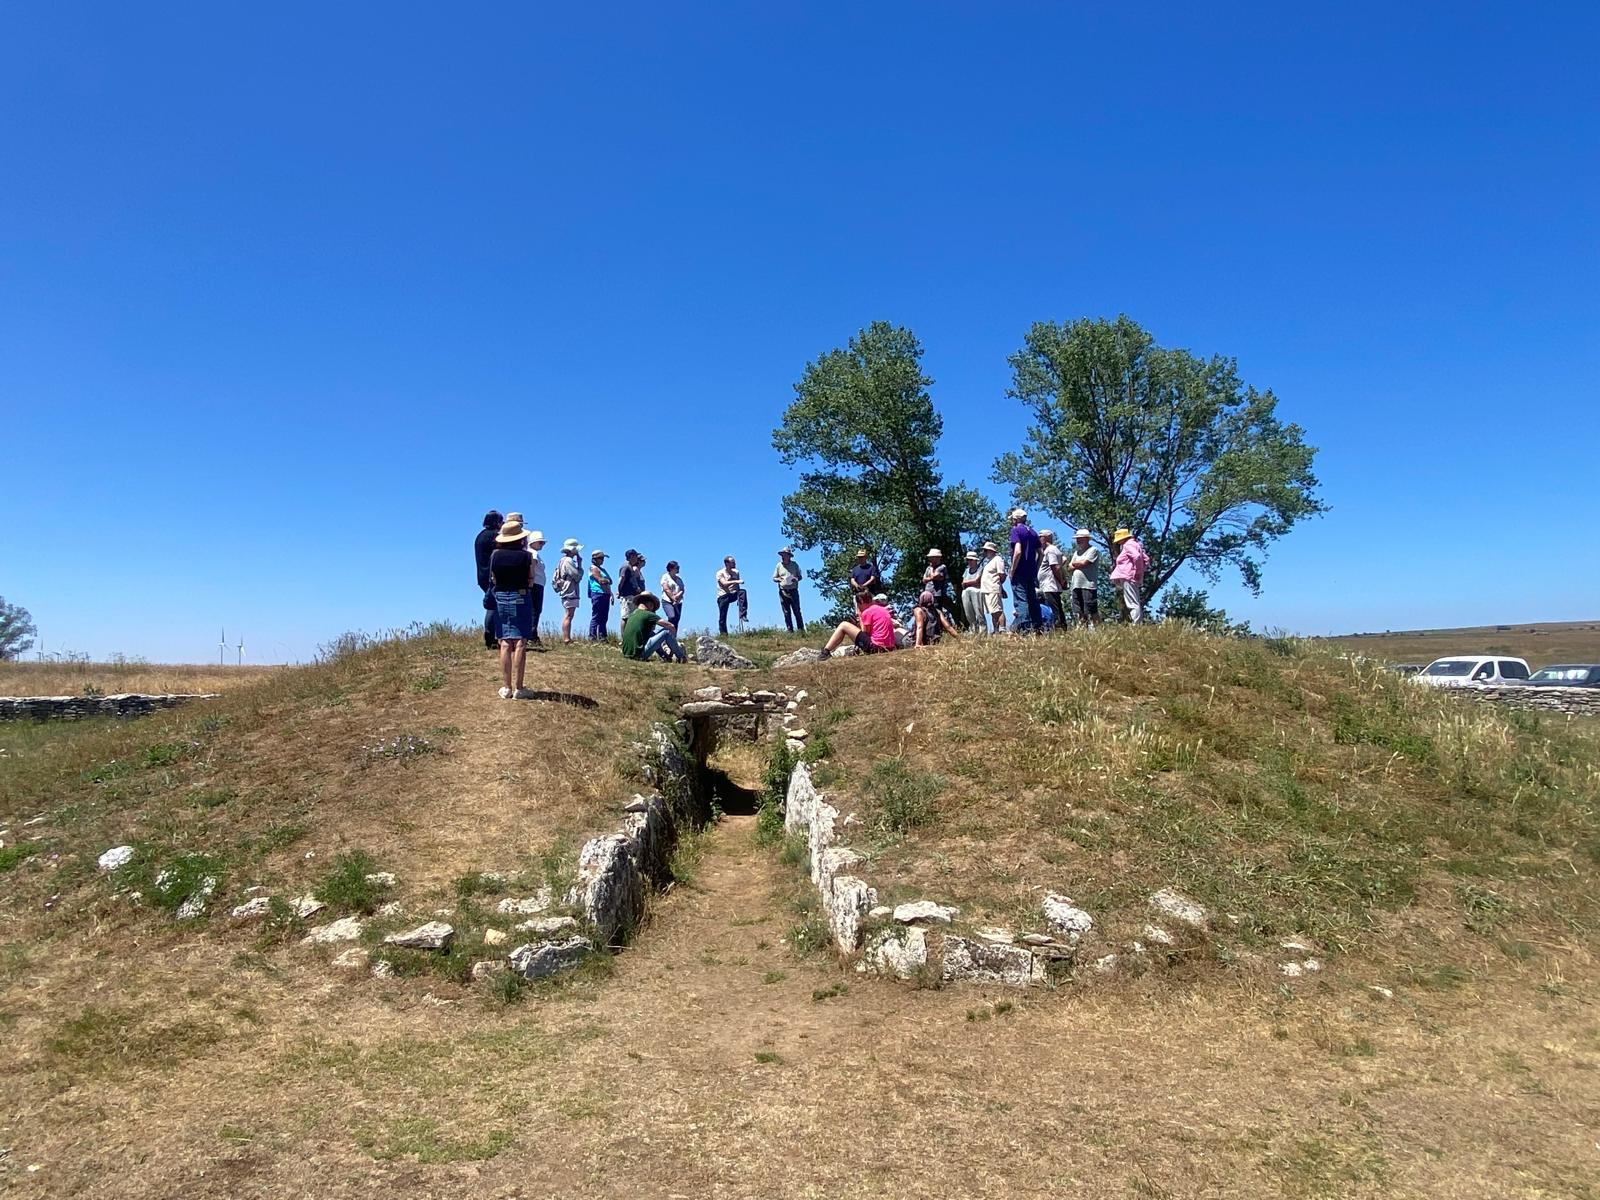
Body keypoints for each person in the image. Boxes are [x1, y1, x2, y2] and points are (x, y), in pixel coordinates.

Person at [488, 517, 535, 699]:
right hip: (520, 595)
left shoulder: (495, 555)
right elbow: (530, 578)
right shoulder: (526, 556)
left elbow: (492, 577)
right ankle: (519, 688)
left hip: (500, 596)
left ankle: (506, 687)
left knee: (505, 641)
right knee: (520, 641)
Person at [819, 592, 897, 657]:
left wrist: (860, 617)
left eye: (858, 605)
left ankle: (825, 652)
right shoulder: (882, 609)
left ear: (861, 601)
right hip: (889, 647)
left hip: (876, 648)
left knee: (843, 625)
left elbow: (865, 633)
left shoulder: (867, 612)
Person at [621, 592, 687, 663]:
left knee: (651, 633)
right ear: (650, 605)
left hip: (626, 654)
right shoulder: (648, 614)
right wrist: (673, 639)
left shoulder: (632, 615)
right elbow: (670, 626)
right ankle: (681, 657)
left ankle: (665, 657)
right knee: (667, 632)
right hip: (639, 654)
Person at [1008, 508, 1044, 633]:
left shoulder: (1016, 530)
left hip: (1020, 571)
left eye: (1013, 519)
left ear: (1016, 519)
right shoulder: (1033, 533)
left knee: (1021, 601)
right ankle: (1038, 627)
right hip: (1031, 572)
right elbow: (1041, 553)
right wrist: (1036, 567)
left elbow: (1017, 551)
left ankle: (1023, 629)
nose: (1012, 521)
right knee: (1033, 600)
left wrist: (1012, 569)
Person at [474, 510, 504, 650]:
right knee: (494, 605)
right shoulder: (494, 537)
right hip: (492, 575)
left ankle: (491, 634)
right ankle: (491, 634)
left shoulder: (480, 536)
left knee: (493, 604)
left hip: (482, 574)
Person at [1110, 528, 1150, 624]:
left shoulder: (1128, 545)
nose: (1118, 542)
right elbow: (1146, 559)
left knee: (1132, 601)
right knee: (1134, 599)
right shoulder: (1136, 544)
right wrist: (1140, 571)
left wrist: (1137, 571)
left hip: (1128, 576)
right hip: (1131, 576)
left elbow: (1137, 557)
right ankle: (1137, 622)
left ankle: (1136, 624)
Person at [553, 538, 584, 644]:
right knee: (569, 614)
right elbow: (577, 576)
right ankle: (567, 638)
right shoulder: (569, 561)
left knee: (568, 613)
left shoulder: (562, 560)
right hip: (570, 589)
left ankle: (567, 637)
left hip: (565, 588)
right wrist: (580, 566)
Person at [1068, 529, 1100, 629]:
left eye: (1080, 539)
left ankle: (1097, 628)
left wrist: (1076, 564)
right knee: (1079, 608)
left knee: (1091, 608)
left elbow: (1085, 563)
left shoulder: (1093, 550)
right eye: (1077, 539)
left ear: (1087, 539)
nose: (1078, 541)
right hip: (1076, 584)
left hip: (1088, 584)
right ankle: (1083, 627)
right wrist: (1077, 564)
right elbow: (1069, 567)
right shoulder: (1077, 552)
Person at [1037, 530, 1067, 631]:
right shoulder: (1050, 550)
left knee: (1053, 609)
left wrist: (1061, 580)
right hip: (1050, 584)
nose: (1038, 540)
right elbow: (1063, 561)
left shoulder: (1050, 550)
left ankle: (1058, 629)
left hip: (1050, 585)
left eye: (1040, 537)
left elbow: (1055, 567)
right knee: (1057, 607)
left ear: (1044, 538)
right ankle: (1062, 628)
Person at [979, 540, 1009, 633]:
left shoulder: (998, 559)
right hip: (986, 590)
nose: (985, 552)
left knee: (997, 610)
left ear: (991, 550)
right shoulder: (988, 562)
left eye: (986, 550)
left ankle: (1002, 629)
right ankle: (996, 630)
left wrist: (999, 586)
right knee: (992, 611)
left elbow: (1002, 575)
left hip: (993, 588)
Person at [526, 529, 548, 647]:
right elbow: (532, 566)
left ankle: (531, 634)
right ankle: (532, 635)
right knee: (535, 610)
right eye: (540, 542)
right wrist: (531, 579)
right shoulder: (533, 553)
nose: (542, 545)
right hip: (535, 584)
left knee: (533, 610)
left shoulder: (531, 552)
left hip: (535, 583)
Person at [773, 547, 804, 632]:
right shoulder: (779, 565)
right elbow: (774, 578)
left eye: (785, 555)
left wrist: (796, 579)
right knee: (786, 612)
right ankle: (790, 630)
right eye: (782, 555)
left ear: (789, 556)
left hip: (793, 590)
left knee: (797, 611)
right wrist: (779, 579)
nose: (783, 557)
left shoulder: (795, 565)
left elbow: (800, 576)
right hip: (783, 591)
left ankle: (801, 630)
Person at [715, 556, 748, 635]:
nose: (735, 564)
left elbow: (737, 586)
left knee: (742, 592)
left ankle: (743, 614)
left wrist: (739, 598)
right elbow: (724, 584)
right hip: (723, 595)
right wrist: (736, 581)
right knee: (723, 615)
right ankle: (723, 634)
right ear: (727, 563)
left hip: (733, 593)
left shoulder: (736, 572)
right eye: (733, 562)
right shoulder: (720, 573)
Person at [587, 549, 614, 641]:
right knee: (597, 616)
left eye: (602, 558)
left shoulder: (602, 570)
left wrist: (610, 590)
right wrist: (606, 581)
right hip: (598, 593)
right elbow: (601, 581)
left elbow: (610, 581)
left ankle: (603, 636)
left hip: (605, 594)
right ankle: (592, 636)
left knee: (604, 616)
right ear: (595, 559)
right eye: (600, 558)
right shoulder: (593, 568)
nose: (602, 560)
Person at [848, 548, 881, 614]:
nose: (860, 559)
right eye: (859, 557)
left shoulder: (871, 568)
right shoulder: (855, 569)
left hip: (869, 593)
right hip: (858, 594)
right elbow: (852, 579)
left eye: (862, 557)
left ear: (865, 557)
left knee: (872, 611)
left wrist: (864, 585)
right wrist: (857, 585)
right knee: (859, 613)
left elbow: (872, 578)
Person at [617, 550, 646, 623]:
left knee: (631, 616)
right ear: (631, 557)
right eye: (636, 556)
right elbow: (621, 579)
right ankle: (624, 634)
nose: (637, 558)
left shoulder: (630, 566)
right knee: (626, 617)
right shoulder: (626, 566)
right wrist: (619, 591)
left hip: (632, 595)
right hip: (627, 595)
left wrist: (637, 588)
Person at [960, 550, 986, 632]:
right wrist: (968, 583)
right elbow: (963, 583)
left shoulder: (980, 569)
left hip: (977, 591)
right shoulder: (967, 570)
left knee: (979, 612)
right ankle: (973, 630)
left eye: (971, 560)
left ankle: (982, 631)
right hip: (966, 592)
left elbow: (977, 581)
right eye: (968, 560)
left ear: (975, 560)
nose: (969, 562)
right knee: (968, 613)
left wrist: (967, 583)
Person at [659, 560, 686, 631]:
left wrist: (677, 597)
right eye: (677, 567)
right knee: (672, 617)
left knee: (676, 619)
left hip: (678, 602)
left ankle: (673, 637)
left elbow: (682, 589)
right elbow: (666, 588)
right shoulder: (665, 577)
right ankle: (665, 633)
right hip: (667, 601)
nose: (678, 569)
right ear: (671, 568)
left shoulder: (679, 579)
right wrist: (673, 598)